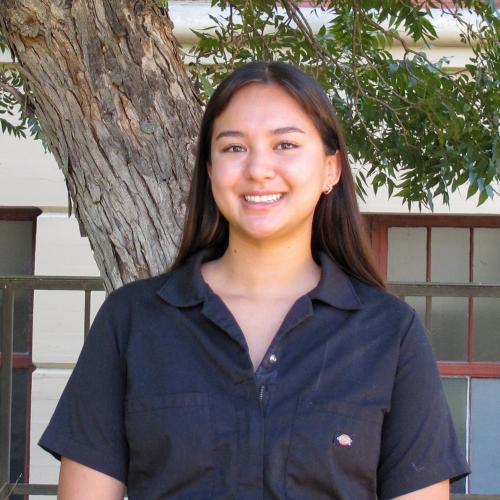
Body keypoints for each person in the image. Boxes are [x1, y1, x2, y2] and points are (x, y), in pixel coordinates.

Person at [39, 61, 470, 499]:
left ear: (330, 170)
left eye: (285, 144)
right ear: (209, 170)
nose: (259, 169)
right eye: (234, 148)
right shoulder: (132, 321)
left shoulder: (389, 333)